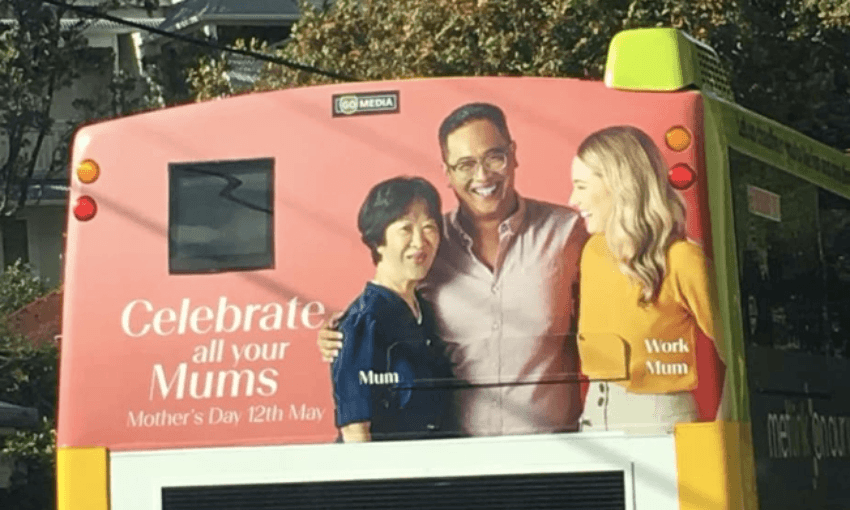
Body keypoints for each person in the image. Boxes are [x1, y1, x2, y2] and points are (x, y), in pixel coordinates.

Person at [321, 103, 588, 436]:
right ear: (447, 172)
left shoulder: (566, 232)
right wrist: (340, 333)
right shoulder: (430, 245)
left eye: (494, 157)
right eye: (465, 164)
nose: (482, 176)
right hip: (459, 456)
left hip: (556, 452)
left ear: (513, 154)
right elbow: (385, 304)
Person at [568, 126, 727, 434]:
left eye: (582, 186)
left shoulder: (682, 260)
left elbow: (740, 357)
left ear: (620, 186)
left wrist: (722, 433)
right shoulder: (594, 251)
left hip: (658, 419)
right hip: (594, 417)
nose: (573, 199)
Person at [331, 176, 454, 442]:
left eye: (429, 227)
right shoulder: (363, 322)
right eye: (406, 229)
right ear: (378, 240)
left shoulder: (425, 310)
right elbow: (355, 432)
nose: (420, 242)